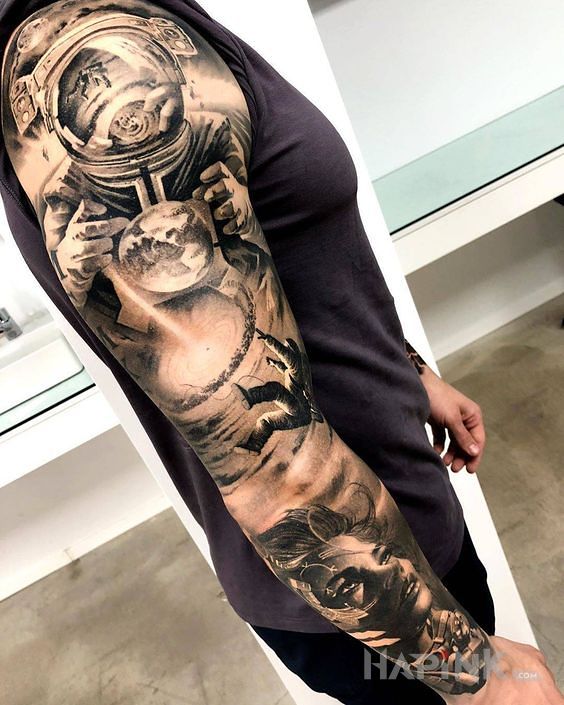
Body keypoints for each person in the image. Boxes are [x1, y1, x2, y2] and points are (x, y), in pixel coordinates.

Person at [0, 1, 561, 703]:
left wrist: (409, 369)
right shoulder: (106, 60)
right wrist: (475, 674)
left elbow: (285, 257)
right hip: (372, 589)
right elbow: (268, 456)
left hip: (393, 514)